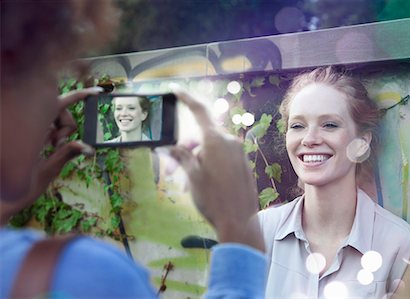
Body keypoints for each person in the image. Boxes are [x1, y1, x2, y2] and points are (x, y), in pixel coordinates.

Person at [0, 1, 266, 298]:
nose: (53, 98)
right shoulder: (83, 276)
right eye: (50, 73)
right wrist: (238, 228)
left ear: (143, 115)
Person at [258, 66, 410, 298]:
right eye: (298, 126)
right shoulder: (259, 232)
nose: (309, 139)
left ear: (362, 142)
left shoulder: (405, 250)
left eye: (329, 124)